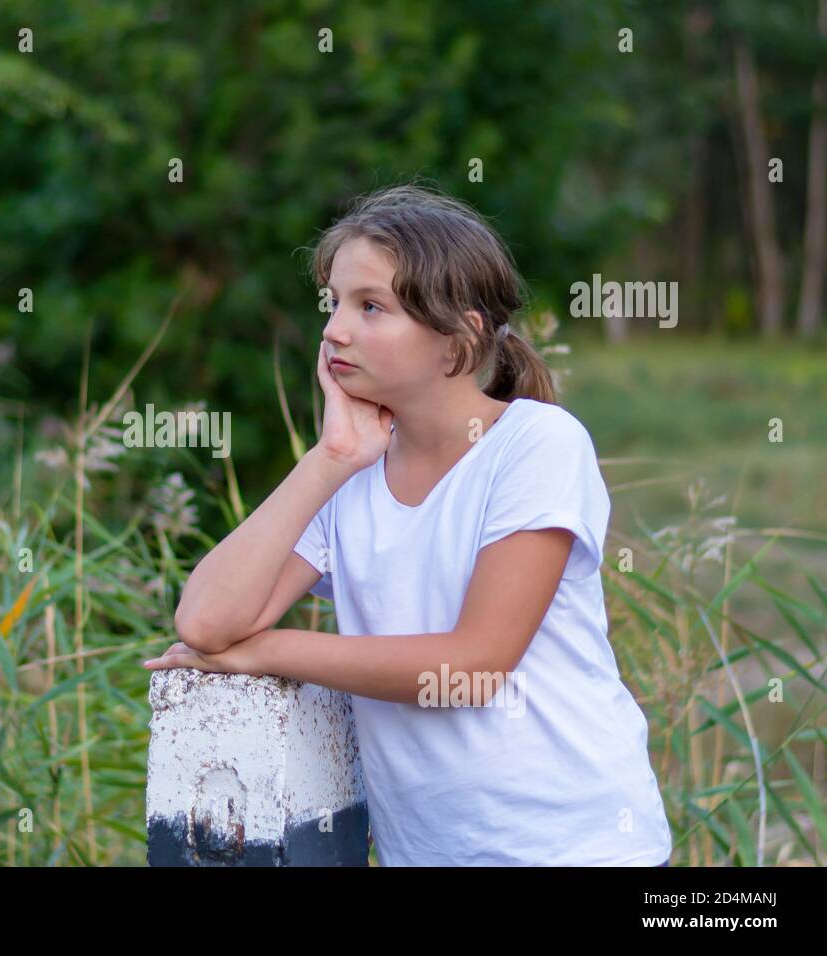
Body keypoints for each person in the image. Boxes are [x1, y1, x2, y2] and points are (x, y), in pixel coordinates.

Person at [143, 183, 673, 866]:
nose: (335, 329)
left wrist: (269, 652)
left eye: (372, 307)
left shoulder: (537, 445)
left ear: (459, 336)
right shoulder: (349, 476)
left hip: (571, 847)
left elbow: (475, 666)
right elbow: (207, 622)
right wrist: (330, 458)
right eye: (333, 302)